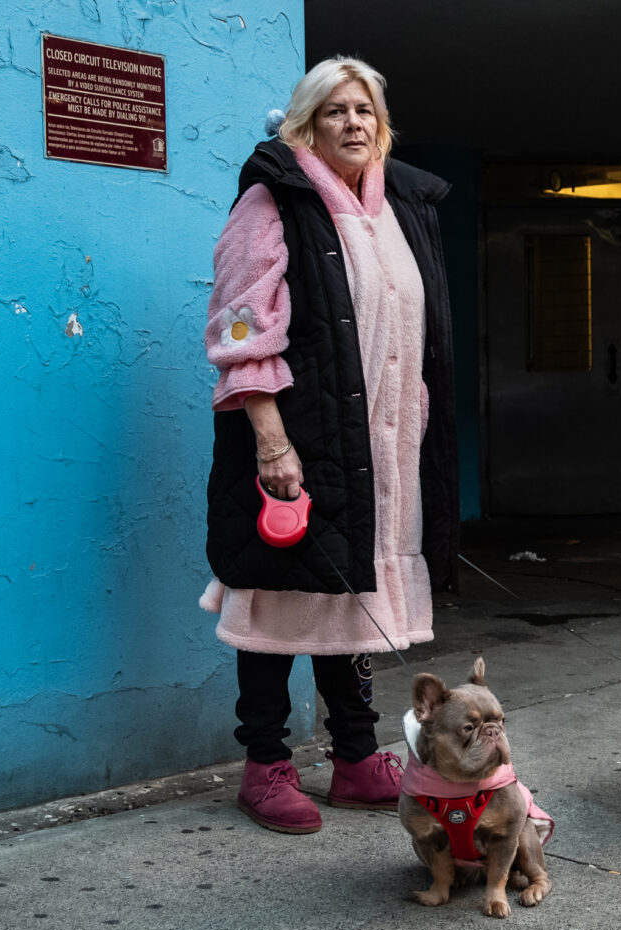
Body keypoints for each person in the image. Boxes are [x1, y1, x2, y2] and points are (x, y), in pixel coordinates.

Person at [198, 56, 459, 834]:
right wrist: (272, 444)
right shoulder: (273, 201)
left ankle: (354, 757)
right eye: (336, 111)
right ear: (307, 123)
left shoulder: (398, 208)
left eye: (366, 112)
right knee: (279, 596)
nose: (354, 123)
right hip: (298, 442)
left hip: (384, 448)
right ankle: (266, 764)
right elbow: (240, 326)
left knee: (353, 593)